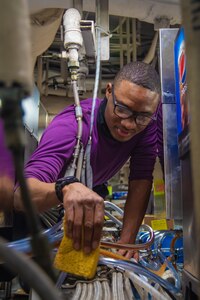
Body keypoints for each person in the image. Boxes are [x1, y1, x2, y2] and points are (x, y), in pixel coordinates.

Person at [14, 61, 161, 258]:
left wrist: (127, 243)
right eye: (122, 109)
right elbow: (20, 195)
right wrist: (64, 188)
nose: (129, 124)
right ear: (109, 91)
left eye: (141, 117)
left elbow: (141, 178)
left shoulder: (146, 123)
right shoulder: (72, 128)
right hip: (33, 212)